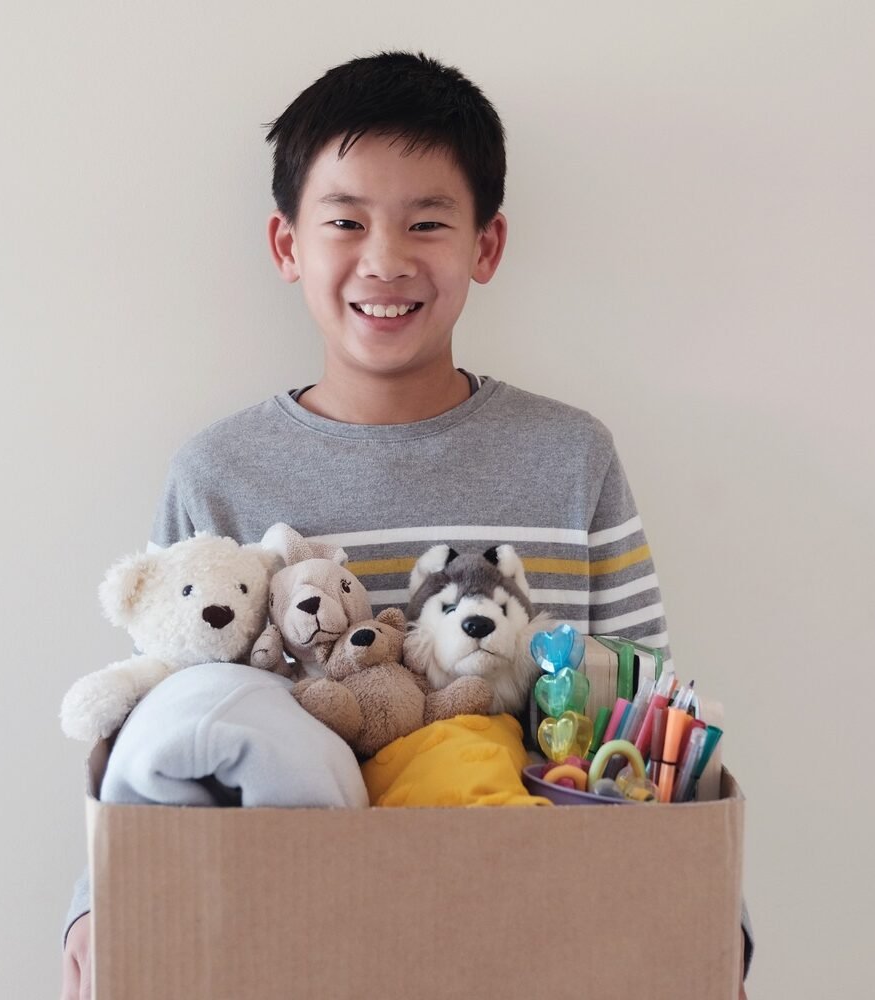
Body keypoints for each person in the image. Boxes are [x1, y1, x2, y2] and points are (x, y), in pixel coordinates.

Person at [61, 51, 750, 999]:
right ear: (287, 245)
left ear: (486, 245)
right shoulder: (219, 475)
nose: (384, 261)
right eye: (345, 221)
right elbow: (157, 738)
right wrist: (94, 905)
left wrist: (713, 918)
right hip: (282, 939)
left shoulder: (570, 458)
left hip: (535, 933)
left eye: (427, 222)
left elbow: (647, 718)